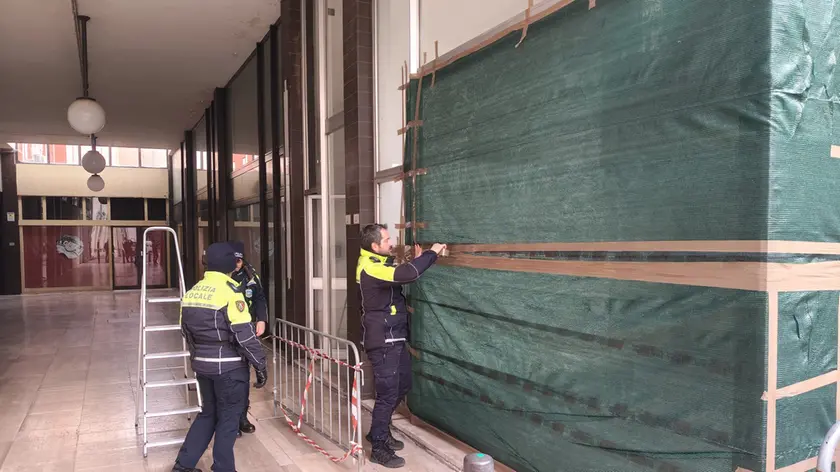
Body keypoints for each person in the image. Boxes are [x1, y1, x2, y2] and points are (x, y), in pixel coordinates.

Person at [171, 242, 268, 472]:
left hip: (203, 367)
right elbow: (244, 336)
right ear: (227, 264)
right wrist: (260, 365)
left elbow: (185, 331)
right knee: (228, 420)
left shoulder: (192, 292)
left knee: (208, 414)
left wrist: (199, 358)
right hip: (229, 369)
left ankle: (183, 466)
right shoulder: (230, 293)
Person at [356, 224, 446, 468]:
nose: (391, 243)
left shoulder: (379, 263)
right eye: (386, 240)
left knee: (403, 384)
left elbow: (402, 272)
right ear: (375, 246)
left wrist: (415, 263)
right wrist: (432, 253)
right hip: (383, 340)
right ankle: (378, 447)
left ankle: (380, 430)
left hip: (394, 336)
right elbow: (405, 275)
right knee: (387, 395)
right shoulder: (371, 267)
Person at [230, 240, 268, 436]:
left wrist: (262, 319)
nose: (238, 263)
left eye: (240, 259)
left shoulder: (251, 275)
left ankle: (242, 417)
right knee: (230, 377)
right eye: (234, 259)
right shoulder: (222, 277)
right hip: (227, 332)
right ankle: (230, 420)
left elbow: (260, 297)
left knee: (243, 376)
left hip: (247, 330)